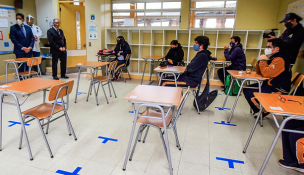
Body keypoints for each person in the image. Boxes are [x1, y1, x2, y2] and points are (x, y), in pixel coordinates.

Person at [243, 38, 291, 118]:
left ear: (277, 48)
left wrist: (263, 61)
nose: (267, 48)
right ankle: (261, 109)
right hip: (270, 84)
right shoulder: (273, 57)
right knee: (246, 88)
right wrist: (260, 61)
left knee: (251, 94)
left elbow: (266, 74)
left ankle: (265, 109)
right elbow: (260, 71)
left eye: (269, 47)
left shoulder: (280, 59)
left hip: (278, 88)